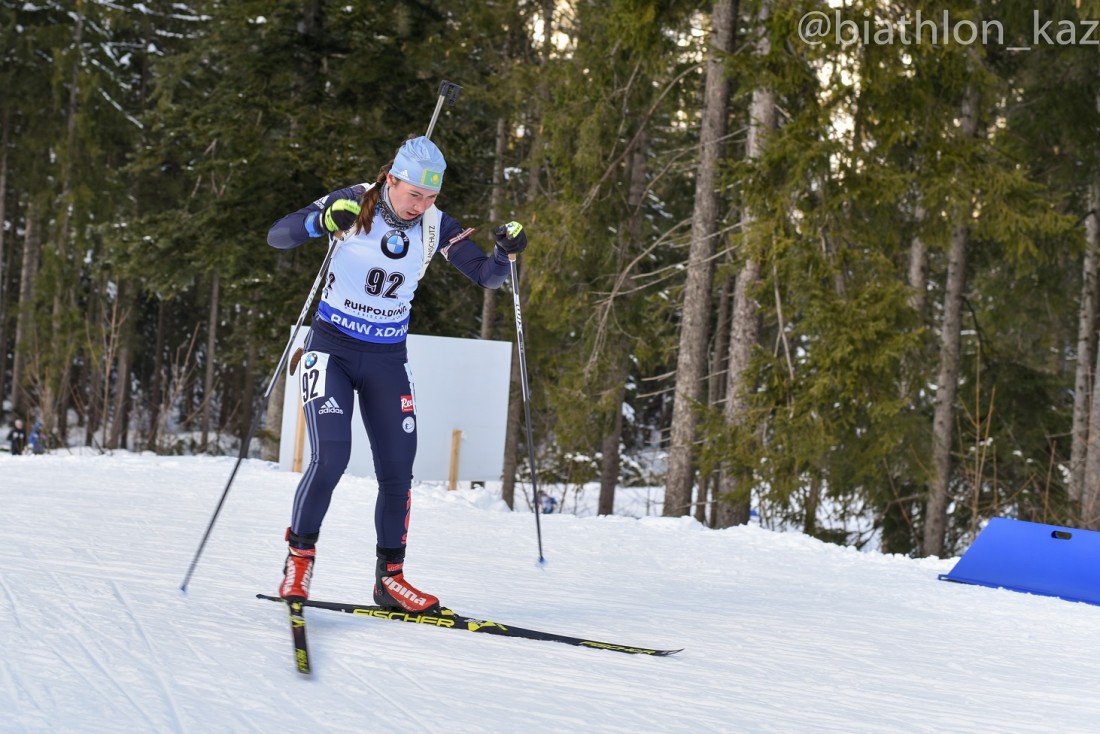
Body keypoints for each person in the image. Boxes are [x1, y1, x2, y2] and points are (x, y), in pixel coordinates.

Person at [267, 136, 528, 612]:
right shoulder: (355, 201)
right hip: (332, 349)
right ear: (392, 180)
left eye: (430, 198)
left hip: (387, 358)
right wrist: (319, 221)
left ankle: (390, 579)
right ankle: (299, 560)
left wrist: (505, 254)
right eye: (414, 195)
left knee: (398, 471)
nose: (420, 207)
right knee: (331, 458)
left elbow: (486, 277)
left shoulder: (434, 225)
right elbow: (279, 235)